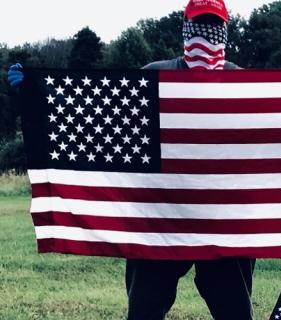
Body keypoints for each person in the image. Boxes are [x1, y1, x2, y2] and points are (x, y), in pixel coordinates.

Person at [9, 1, 253, 319]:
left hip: (223, 222)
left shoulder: (245, 84)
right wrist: (37, 94)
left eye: (213, 27)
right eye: (199, 26)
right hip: (157, 218)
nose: (205, 37)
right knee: (144, 310)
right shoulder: (152, 76)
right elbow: (98, 121)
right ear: (185, 27)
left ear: (225, 30)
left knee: (235, 311)